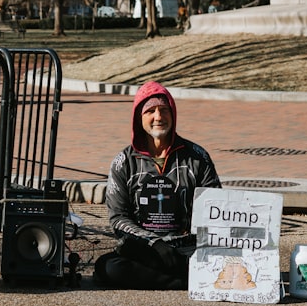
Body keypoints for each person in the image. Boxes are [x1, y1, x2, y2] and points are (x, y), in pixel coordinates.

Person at [93, 81, 221, 290]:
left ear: (173, 114)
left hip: (186, 249)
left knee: (212, 261)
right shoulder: (123, 161)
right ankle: (187, 280)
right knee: (108, 267)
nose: (158, 117)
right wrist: (154, 243)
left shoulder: (197, 157)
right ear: (139, 118)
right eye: (150, 111)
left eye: (164, 110)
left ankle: (185, 273)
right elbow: (118, 217)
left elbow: (215, 209)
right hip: (144, 250)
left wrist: (185, 241)